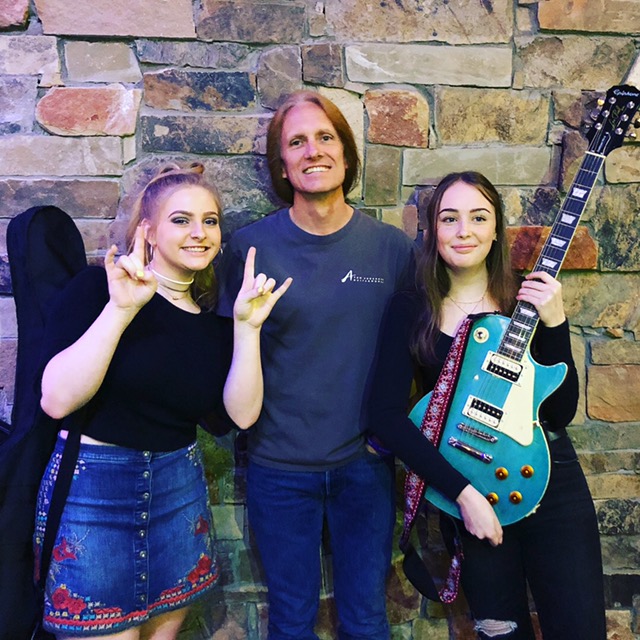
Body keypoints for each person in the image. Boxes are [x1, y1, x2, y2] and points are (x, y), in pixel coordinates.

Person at [34, 162, 291, 639]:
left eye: (210, 221)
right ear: (148, 230)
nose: (199, 233)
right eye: (181, 220)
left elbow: (241, 414)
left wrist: (247, 328)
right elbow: (55, 400)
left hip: (178, 490)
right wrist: (121, 310)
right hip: (95, 494)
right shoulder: (98, 290)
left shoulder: (213, 324)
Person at [368, 171, 606, 639]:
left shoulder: (526, 297)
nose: (464, 231)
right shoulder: (411, 307)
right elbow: (385, 417)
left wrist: (554, 322)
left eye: (478, 217)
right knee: (502, 632)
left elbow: (558, 414)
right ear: (433, 229)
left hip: (556, 486)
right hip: (472, 494)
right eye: (449, 218)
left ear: (496, 229)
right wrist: (463, 495)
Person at [216, 90, 416, 640]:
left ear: (346, 155)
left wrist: (387, 441)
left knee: (367, 620)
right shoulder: (250, 249)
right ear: (282, 164)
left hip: (366, 469)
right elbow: (229, 358)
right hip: (279, 469)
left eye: (325, 137)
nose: (313, 151)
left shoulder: (391, 250)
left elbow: (420, 355)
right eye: (296, 142)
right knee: (291, 623)